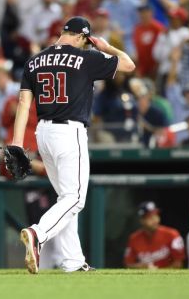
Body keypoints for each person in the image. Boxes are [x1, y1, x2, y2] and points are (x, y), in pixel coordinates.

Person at [12, 16, 135, 274]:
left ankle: (73, 261)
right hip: (69, 133)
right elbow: (129, 65)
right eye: (85, 40)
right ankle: (38, 234)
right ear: (82, 37)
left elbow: (24, 104)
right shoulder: (87, 58)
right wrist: (106, 47)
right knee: (75, 198)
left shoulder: (35, 60)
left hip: (42, 133)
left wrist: (16, 143)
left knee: (65, 199)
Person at [124, 201, 186, 269]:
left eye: (156, 215)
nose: (155, 219)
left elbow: (178, 264)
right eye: (150, 217)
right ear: (142, 220)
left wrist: (158, 273)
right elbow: (128, 265)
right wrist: (142, 267)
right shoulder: (134, 239)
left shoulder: (172, 234)